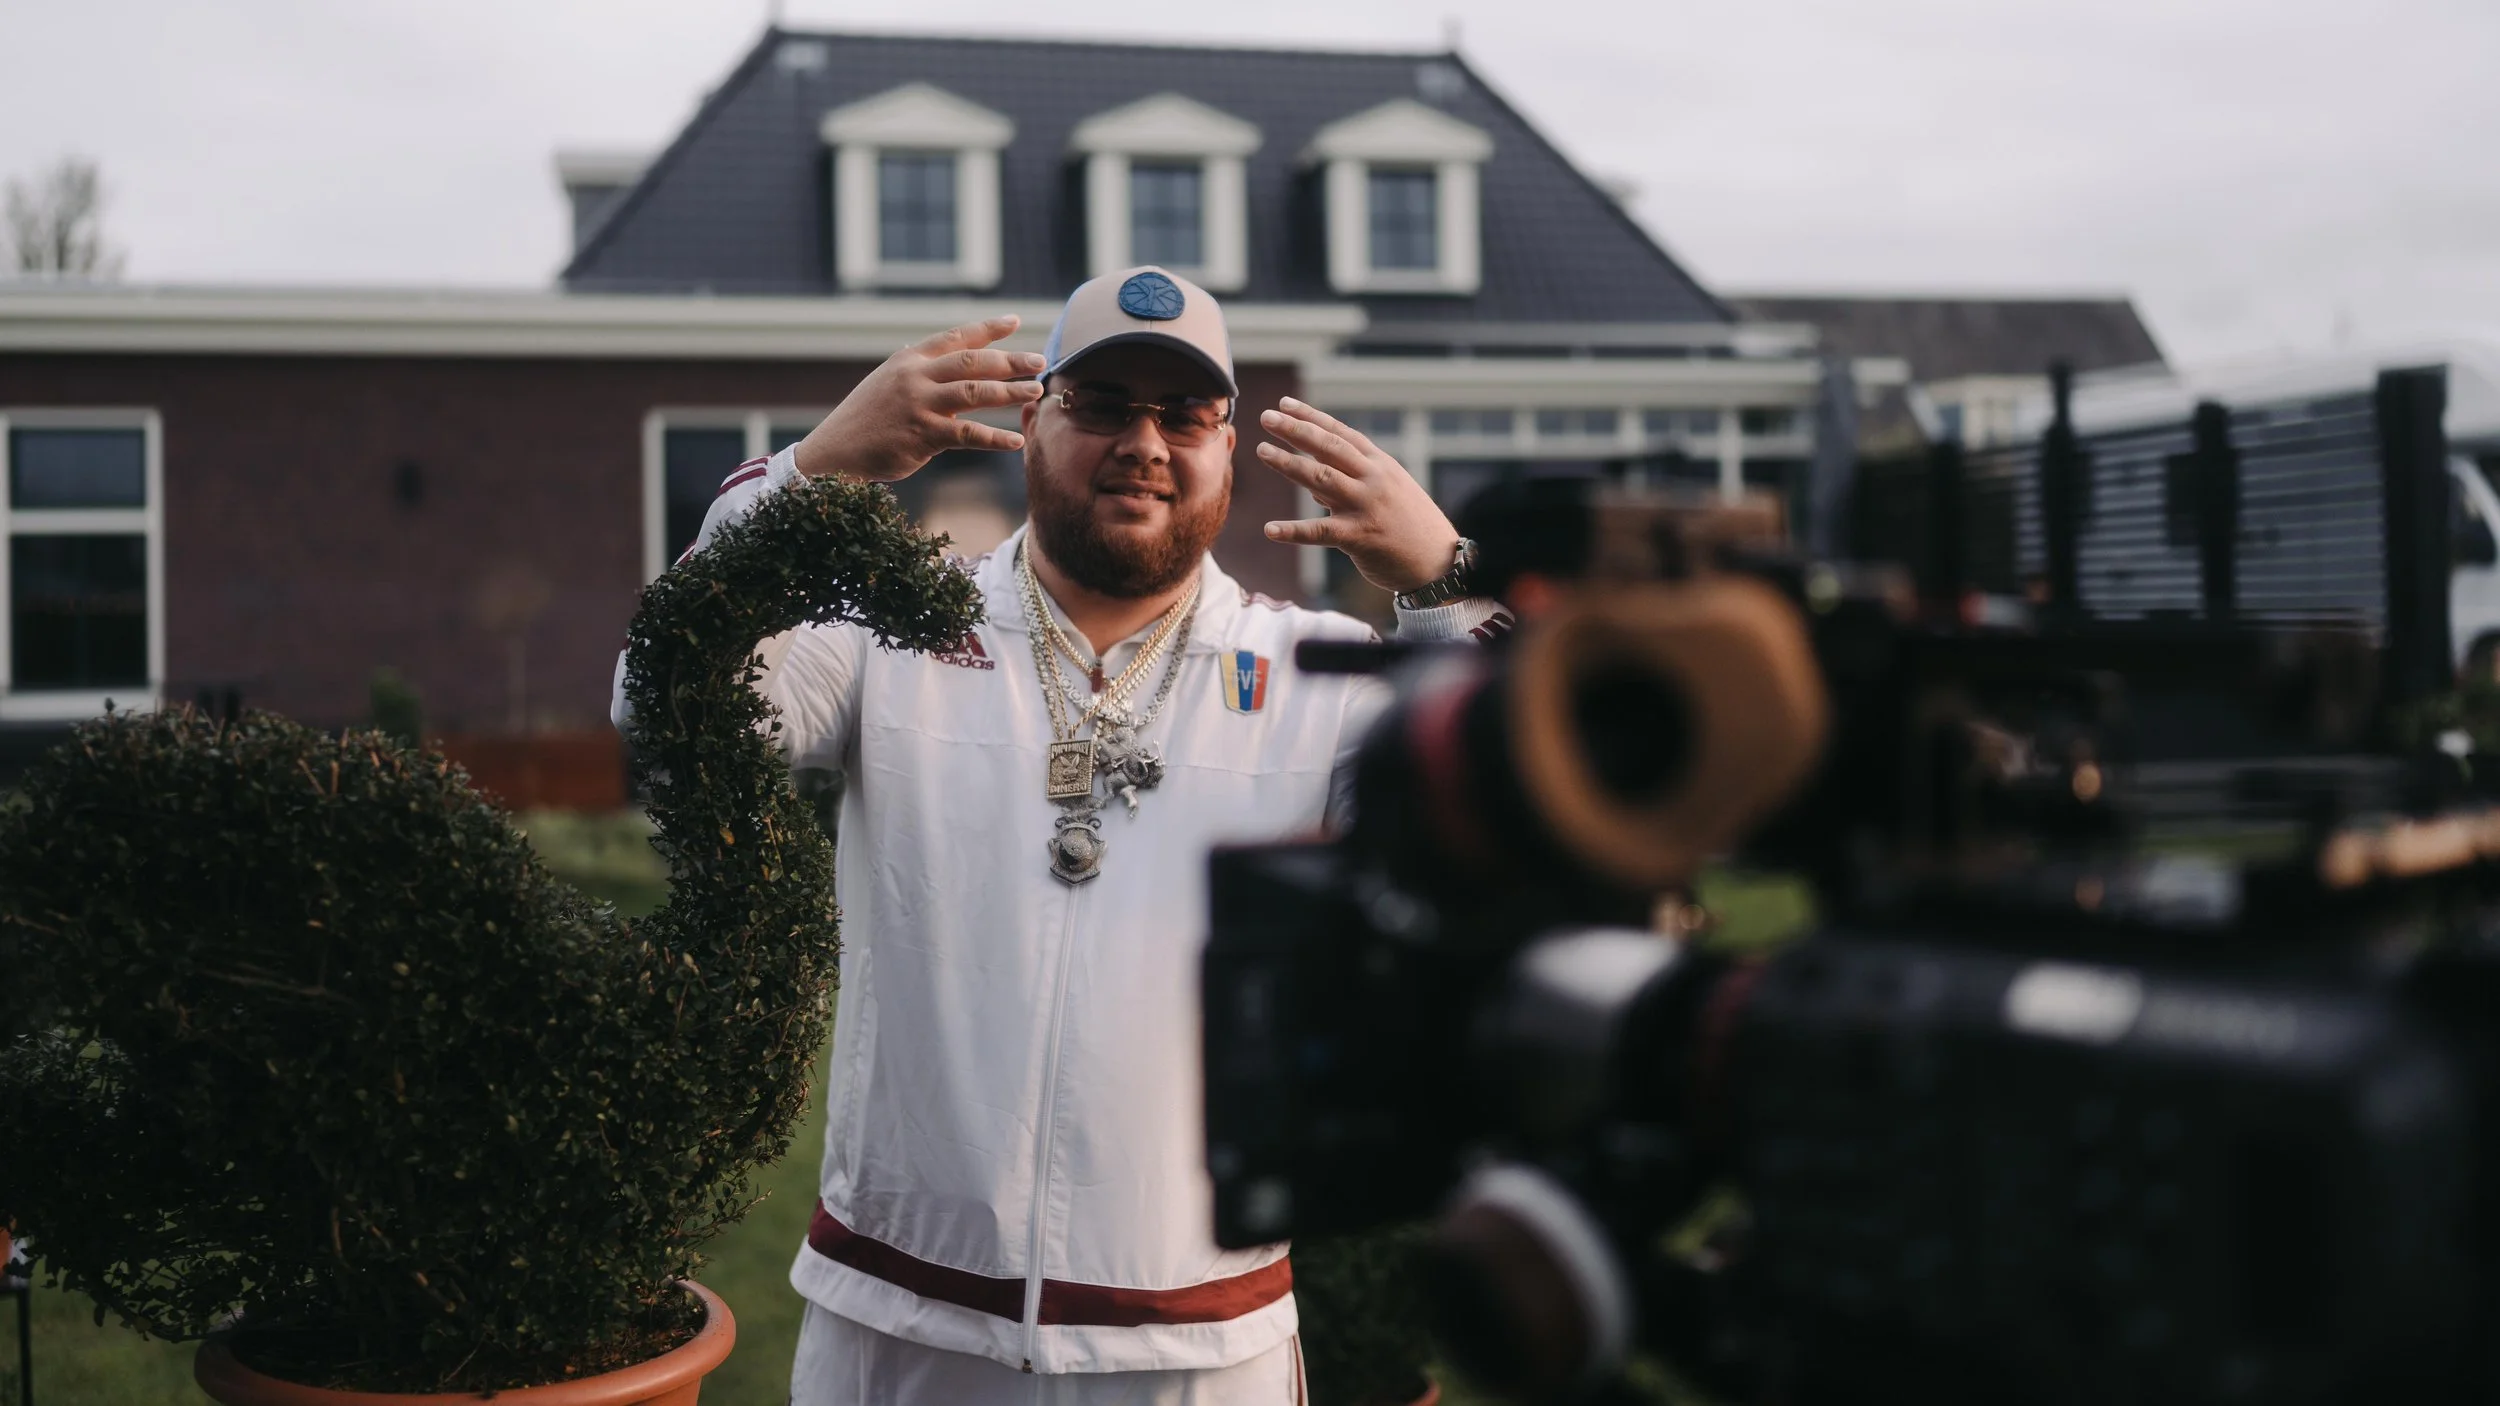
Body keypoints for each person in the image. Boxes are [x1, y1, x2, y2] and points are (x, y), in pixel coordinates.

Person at [616, 267, 1506, 1405]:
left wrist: (1447, 581)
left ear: (1226, 450)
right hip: (901, 1321)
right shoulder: (890, 630)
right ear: (1032, 421)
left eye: (1184, 413)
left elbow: (1512, 816)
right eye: (1102, 404)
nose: (1144, 440)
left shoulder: (1311, 672)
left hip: (1195, 1350)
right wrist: (808, 473)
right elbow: (660, 702)